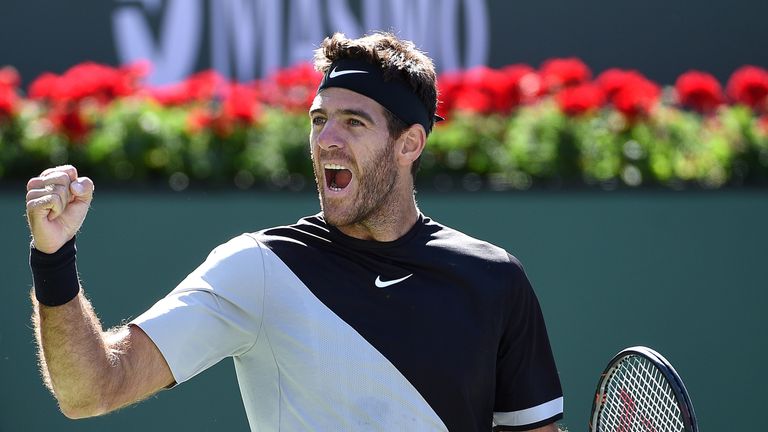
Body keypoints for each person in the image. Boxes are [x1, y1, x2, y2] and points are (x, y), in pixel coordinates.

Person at [26, 32, 564, 431]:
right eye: (318, 119)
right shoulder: (258, 268)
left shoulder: (494, 280)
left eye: (353, 122)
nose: (326, 138)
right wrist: (53, 258)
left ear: (409, 144)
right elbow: (91, 389)